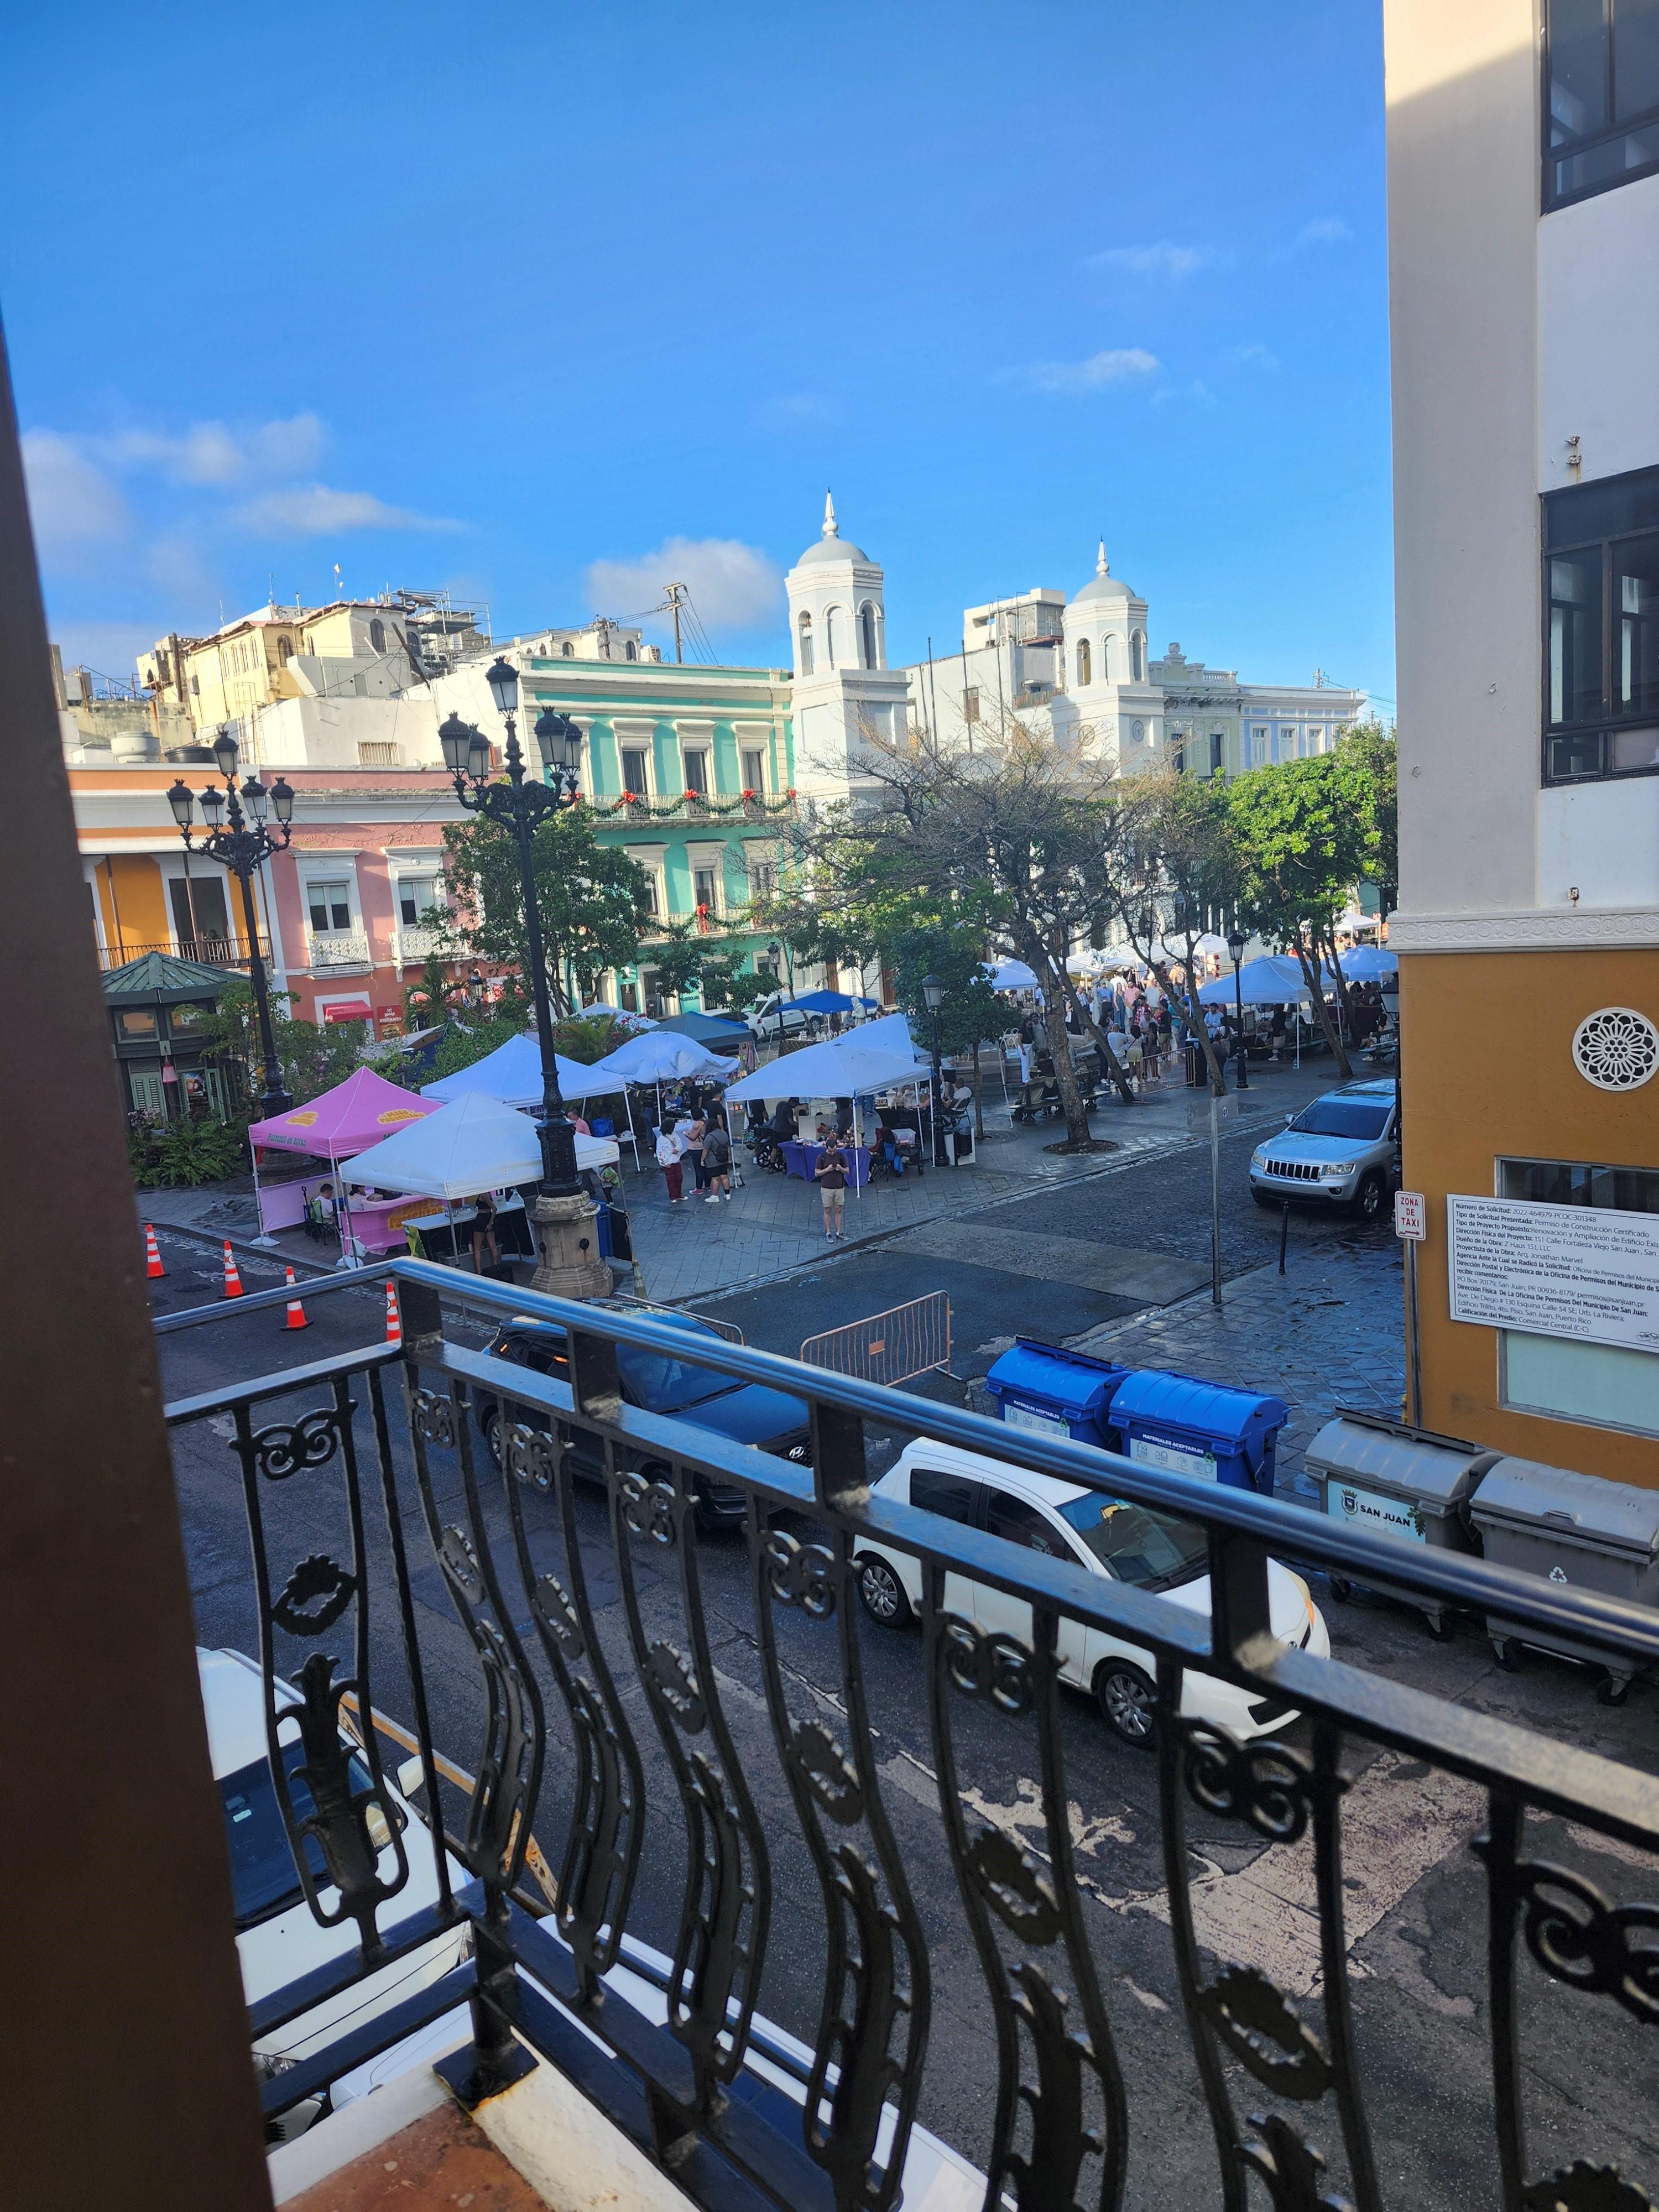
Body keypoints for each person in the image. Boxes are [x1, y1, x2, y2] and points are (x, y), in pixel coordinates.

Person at [815, 1135, 849, 1240]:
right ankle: (828, 1232)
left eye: (834, 1150)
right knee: (828, 1209)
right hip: (826, 1187)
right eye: (830, 1151)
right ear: (827, 1148)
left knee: (838, 1209)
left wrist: (841, 1169)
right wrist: (827, 1170)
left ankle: (839, 1232)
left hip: (839, 1187)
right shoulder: (821, 1157)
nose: (832, 1153)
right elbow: (817, 1173)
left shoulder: (841, 1156)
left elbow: (847, 1171)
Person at [702, 1117, 733, 1202]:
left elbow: (705, 1150)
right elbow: (728, 1147)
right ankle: (727, 1195)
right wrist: (729, 1158)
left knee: (715, 1179)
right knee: (724, 1177)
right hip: (724, 1159)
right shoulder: (724, 1133)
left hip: (713, 1161)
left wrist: (702, 1160)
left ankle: (715, 1196)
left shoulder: (709, 1137)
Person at [471, 1190, 500, 1275]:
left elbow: (494, 1208)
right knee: (492, 1245)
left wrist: (490, 1223)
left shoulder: (484, 1195)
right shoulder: (488, 1194)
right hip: (488, 1217)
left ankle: (479, 1271)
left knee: (477, 1247)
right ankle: (496, 1266)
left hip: (482, 1219)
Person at [655, 1121, 685, 1204]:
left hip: (676, 1160)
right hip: (668, 1162)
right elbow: (660, 1152)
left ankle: (679, 1194)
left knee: (679, 1178)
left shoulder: (675, 1135)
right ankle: (673, 1196)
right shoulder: (661, 1139)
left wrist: (677, 1149)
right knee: (671, 1179)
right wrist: (665, 1163)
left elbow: (679, 1144)